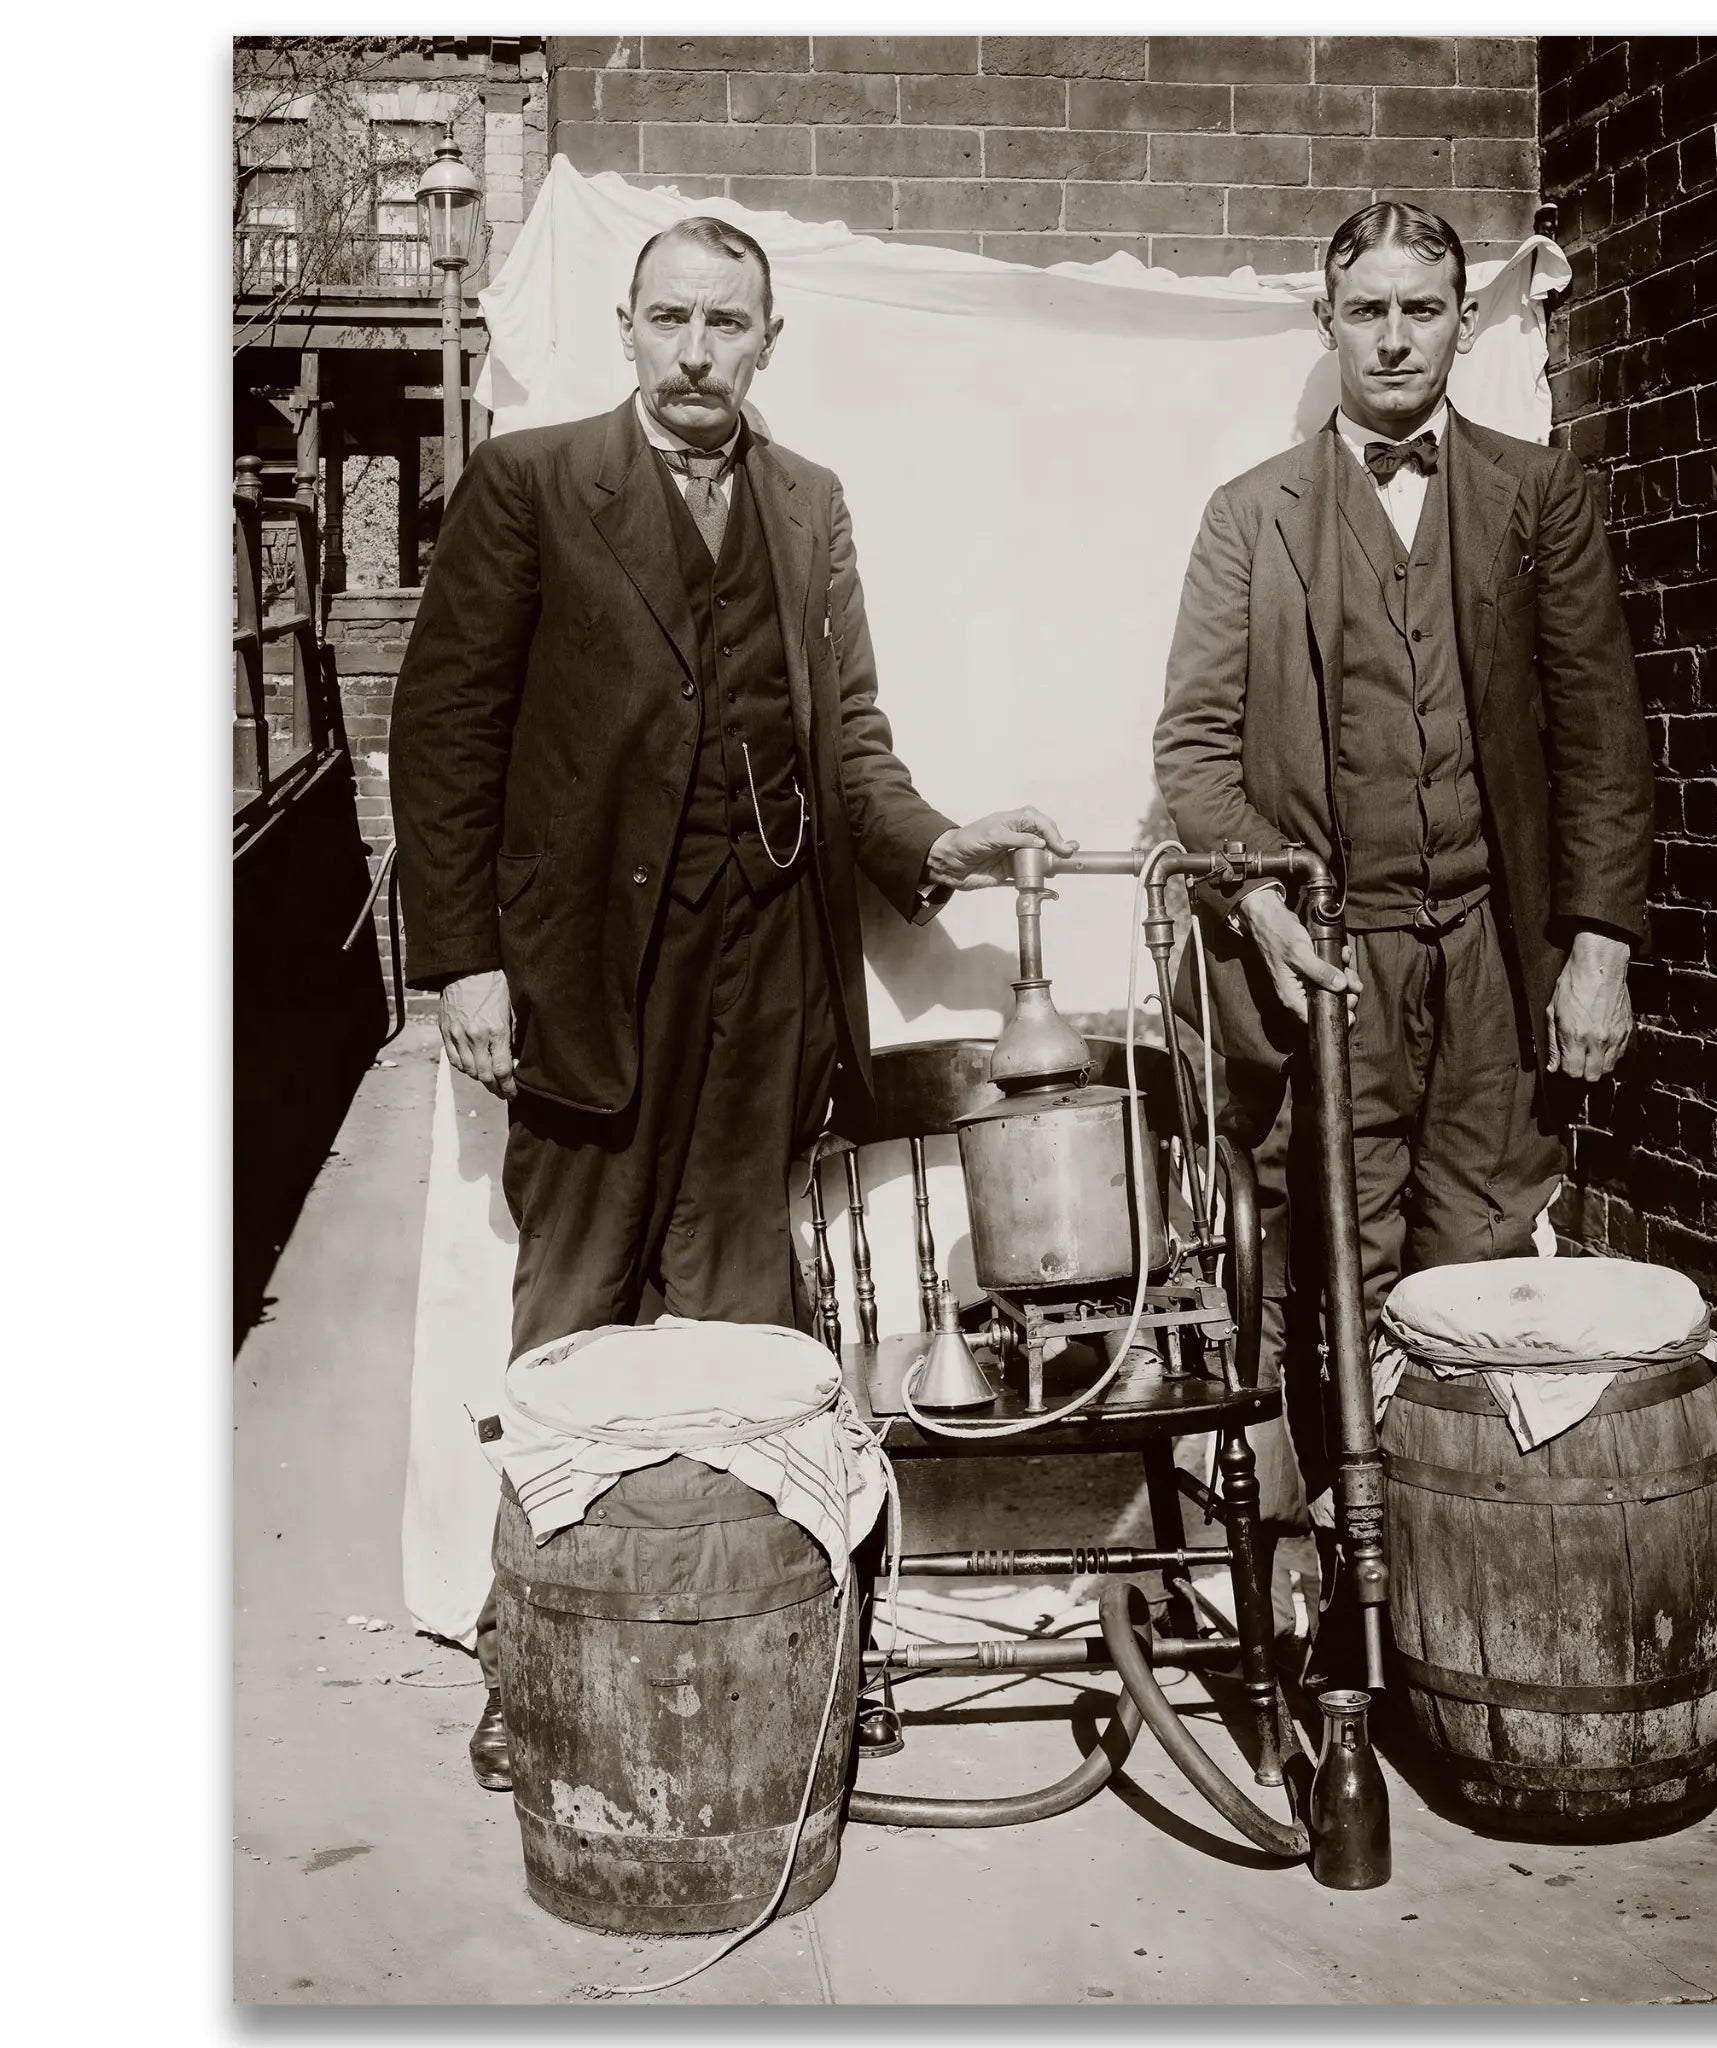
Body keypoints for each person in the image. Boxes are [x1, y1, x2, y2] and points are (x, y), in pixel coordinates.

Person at [393, 217, 1073, 1787]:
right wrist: (467, 962)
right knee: (572, 1328)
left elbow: (851, 745)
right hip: (584, 979)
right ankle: (532, 1655)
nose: (698, 351)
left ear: (771, 339)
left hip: (766, 976)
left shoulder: (809, 504)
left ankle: (730, 1655)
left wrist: (938, 845)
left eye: (728, 323)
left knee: (740, 1326)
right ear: (627, 328)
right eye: (671, 319)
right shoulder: (532, 484)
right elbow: (444, 734)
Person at [1152, 201, 1652, 1658]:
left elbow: (1600, 734)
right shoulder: (1251, 515)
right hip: (1331, 965)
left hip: (1492, 956)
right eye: (1364, 311)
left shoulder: (1537, 494)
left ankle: (1463, 1609)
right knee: (1335, 1268)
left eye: (1420, 310)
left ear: (1462, 323)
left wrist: (1599, 947)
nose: (1391, 339)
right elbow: (1193, 751)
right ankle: (1338, 1627)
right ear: (1327, 325)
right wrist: (1256, 902)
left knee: (1479, 1268)